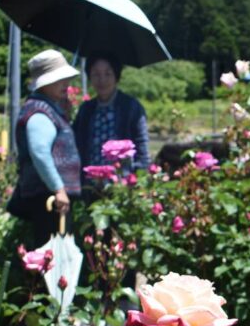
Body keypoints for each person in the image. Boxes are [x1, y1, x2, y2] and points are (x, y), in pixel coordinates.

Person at [10, 49, 83, 248]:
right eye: (60, 79)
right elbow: (40, 152)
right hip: (49, 198)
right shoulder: (39, 112)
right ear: (45, 83)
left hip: (52, 196)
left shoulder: (48, 107)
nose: (66, 84)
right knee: (50, 256)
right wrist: (59, 189)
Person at [73, 53, 150, 173]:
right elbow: (76, 145)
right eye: (96, 74)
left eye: (108, 74)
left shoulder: (131, 107)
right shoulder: (86, 109)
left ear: (116, 76)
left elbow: (142, 147)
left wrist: (140, 177)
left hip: (122, 183)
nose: (102, 80)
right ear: (89, 77)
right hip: (91, 183)